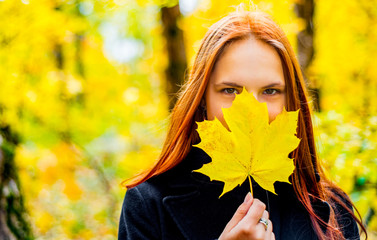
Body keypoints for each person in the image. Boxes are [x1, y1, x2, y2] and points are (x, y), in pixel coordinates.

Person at [118, 6, 366, 240]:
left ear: (291, 101)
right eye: (230, 90)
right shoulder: (148, 204)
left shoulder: (333, 211)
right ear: (202, 98)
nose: (251, 110)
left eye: (270, 91)